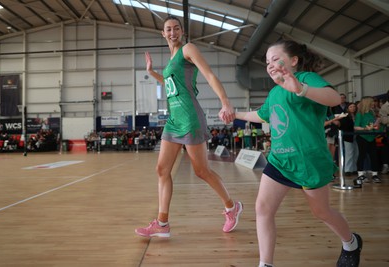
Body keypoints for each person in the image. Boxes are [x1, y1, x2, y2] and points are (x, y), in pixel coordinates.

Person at [235, 39, 362, 267]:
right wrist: (236, 113)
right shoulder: (274, 93)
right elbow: (262, 115)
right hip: (280, 160)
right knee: (262, 209)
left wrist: (301, 89)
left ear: (293, 61)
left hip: (309, 161)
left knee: (321, 212)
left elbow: (334, 99)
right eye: (267, 62)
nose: (270, 64)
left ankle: (351, 243)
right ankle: (265, 264)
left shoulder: (306, 79)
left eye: (275, 59)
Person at [135, 15, 243, 238]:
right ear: (163, 33)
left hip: (190, 118)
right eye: (168, 29)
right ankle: (162, 224)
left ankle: (232, 207)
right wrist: (152, 72)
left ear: (181, 32)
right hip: (174, 120)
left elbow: (209, 75)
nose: (172, 32)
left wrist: (225, 101)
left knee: (201, 171)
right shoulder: (172, 58)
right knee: (162, 170)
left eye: (176, 28)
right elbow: (171, 85)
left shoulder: (188, 49)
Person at [354, 96, 382, 183]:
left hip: (371, 137)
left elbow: (374, 126)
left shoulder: (372, 113)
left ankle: (375, 175)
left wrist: (377, 123)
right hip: (362, 137)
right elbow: (356, 127)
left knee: (374, 156)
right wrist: (364, 129)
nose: (373, 103)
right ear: (367, 103)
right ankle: (360, 175)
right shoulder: (359, 114)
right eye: (372, 101)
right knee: (362, 155)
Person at [340, 102, 359, 175]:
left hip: (356, 136)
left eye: (354, 106)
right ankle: (347, 169)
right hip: (348, 136)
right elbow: (344, 126)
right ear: (347, 108)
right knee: (349, 153)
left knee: (356, 153)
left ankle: (354, 169)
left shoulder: (356, 115)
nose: (353, 108)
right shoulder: (345, 116)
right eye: (351, 107)